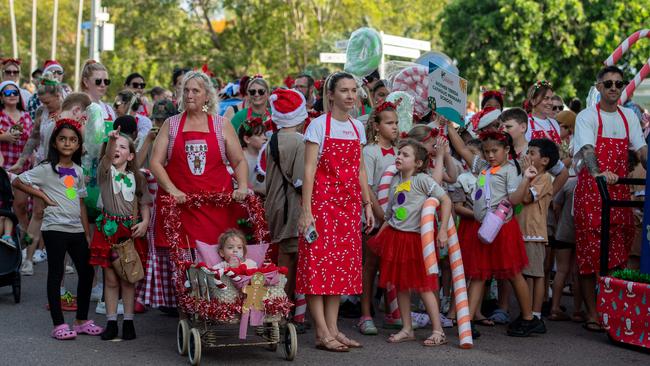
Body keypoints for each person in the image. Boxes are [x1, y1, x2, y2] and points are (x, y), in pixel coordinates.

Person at [149, 71, 248, 310]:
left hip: (216, 210)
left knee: (217, 261)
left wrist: (243, 186)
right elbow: (155, 162)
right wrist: (172, 190)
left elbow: (239, 161)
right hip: (182, 210)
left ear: (207, 96)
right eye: (186, 90)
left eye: (196, 90)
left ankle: (218, 308)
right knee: (186, 265)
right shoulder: (171, 125)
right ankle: (191, 311)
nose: (190, 95)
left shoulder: (220, 124)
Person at [297, 72, 375, 352]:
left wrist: (367, 204)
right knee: (317, 269)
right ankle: (322, 331)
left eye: (354, 90)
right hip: (322, 206)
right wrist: (306, 211)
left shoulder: (357, 127)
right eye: (344, 90)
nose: (351, 95)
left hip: (348, 207)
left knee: (337, 270)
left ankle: (332, 329)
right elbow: (308, 170)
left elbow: (360, 169)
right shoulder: (318, 126)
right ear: (330, 95)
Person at [447, 124, 544, 337]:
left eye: (495, 151)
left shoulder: (510, 170)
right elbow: (463, 150)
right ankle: (468, 322)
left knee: (513, 273)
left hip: (503, 229)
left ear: (506, 150)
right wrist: (448, 126)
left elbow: (515, 200)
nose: (490, 155)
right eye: (487, 151)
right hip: (485, 229)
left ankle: (529, 318)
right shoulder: (483, 167)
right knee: (479, 274)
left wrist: (526, 179)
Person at [13, 119, 102, 340]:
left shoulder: (79, 171)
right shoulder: (44, 169)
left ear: (78, 145)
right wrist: (41, 195)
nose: (67, 143)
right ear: (54, 143)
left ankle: (81, 320)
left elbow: (78, 201)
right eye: (62, 139)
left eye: (73, 140)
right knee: (56, 273)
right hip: (54, 230)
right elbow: (17, 180)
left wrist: (86, 233)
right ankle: (59, 324)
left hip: (76, 231)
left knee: (87, 272)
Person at [573, 65, 647, 332]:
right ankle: (593, 313)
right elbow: (587, 149)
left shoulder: (628, 116)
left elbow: (641, 150)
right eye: (608, 84)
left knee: (619, 247)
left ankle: (611, 309)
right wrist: (598, 172)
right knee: (590, 253)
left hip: (618, 191)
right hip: (592, 190)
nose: (614, 88)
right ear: (599, 87)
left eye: (619, 83)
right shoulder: (586, 116)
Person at [368, 139, 451, 346]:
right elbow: (391, 215)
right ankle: (407, 328)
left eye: (405, 155)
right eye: (399, 153)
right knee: (400, 286)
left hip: (416, 240)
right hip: (396, 238)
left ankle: (438, 330)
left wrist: (442, 231)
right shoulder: (395, 182)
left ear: (418, 163)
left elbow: (446, 200)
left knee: (423, 286)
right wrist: (379, 238)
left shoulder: (422, 179)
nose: (399, 157)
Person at [89, 128, 150, 341]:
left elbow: (144, 202)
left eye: (123, 147)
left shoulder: (138, 178)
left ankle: (129, 322)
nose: (117, 149)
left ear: (131, 155)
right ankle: (112, 322)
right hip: (108, 229)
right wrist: (111, 140)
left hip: (129, 231)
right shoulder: (105, 173)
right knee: (111, 280)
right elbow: (107, 158)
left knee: (128, 278)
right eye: (114, 147)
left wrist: (145, 221)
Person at [264, 88, 306, 327]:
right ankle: (283, 311)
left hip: (275, 205)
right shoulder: (299, 142)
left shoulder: (274, 138)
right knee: (292, 261)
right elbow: (301, 181)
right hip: (293, 209)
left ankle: (279, 308)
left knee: (282, 258)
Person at [13, 77, 63, 274]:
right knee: (38, 213)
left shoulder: (68, 112)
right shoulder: (42, 112)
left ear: (58, 95)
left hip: (62, 170)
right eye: (42, 102)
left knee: (63, 215)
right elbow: (34, 137)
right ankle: (28, 257)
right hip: (42, 167)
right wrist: (21, 160)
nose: (44, 105)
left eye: (48, 101)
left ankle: (64, 261)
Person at [358, 101, 399, 335]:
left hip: (395, 218)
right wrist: (379, 213)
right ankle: (365, 313)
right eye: (389, 123)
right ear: (376, 125)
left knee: (390, 264)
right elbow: (368, 187)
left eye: (396, 123)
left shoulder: (398, 151)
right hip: (375, 217)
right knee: (370, 265)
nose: (394, 127)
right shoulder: (370, 152)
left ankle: (392, 312)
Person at [516, 138, 558, 330]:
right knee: (525, 275)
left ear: (545, 161)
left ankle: (536, 315)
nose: (528, 156)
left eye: (532, 153)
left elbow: (525, 198)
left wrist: (526, 176)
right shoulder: (529, 175)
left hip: (533, 232)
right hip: (521, 230)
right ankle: (528, 313)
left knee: (537, 275)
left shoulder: (545, 178)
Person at [0, 80, 34, 249]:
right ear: (1, 96)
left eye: (15, 92)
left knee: (20, 207)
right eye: (7, 93)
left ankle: (27, 245)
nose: (12, 95)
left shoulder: (26, 116)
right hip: (3, 168)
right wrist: (4, 137)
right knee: (5, 207)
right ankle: (7, 245)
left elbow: (33, 140)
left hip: (23, 167)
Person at [523, 80, 561, 144]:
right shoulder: (525, 124)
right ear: (533, 101)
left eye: (551, 98)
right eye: (546, 98)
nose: (550, 102)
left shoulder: (554, 123)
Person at [238, 117, 267, 195]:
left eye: (265, 134)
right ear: (247, 139)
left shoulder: (267, 155)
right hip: (250, 203)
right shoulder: (240, 158)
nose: (265, 138)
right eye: (259, 135)